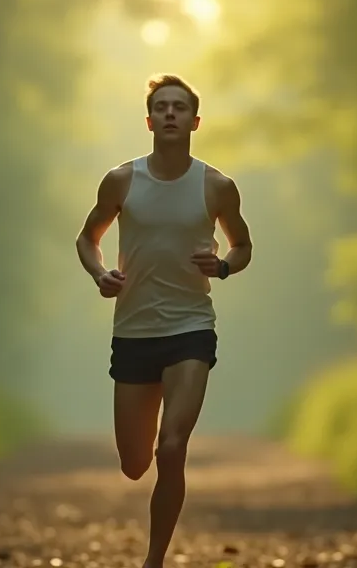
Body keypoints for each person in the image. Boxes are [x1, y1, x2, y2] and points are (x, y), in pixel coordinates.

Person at [74, 73, 253, 568]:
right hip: (134, 330)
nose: (170, 113)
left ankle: (153, 561)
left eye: (180, 107)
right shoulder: (121, 181)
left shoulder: (216, 186)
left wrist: (221, 266)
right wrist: (99, 274)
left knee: (170, 448)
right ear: (149, 120)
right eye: (162, 106)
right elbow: (87, 238)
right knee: (135, 464)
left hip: (191, 327)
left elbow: (242, 246)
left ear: (195, 121)